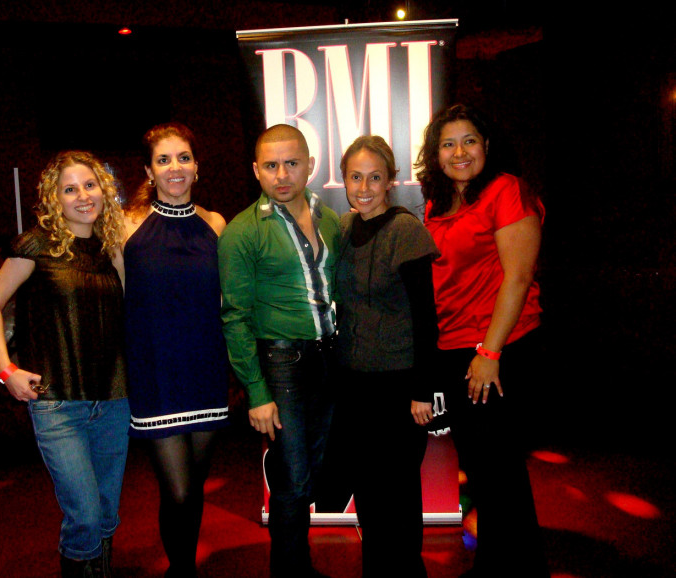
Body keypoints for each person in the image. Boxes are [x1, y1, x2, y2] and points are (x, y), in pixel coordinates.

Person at [0, 151, 130, 577]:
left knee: (106, 514)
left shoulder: (112, 248)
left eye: (90, 185)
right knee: (85, 515)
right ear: (54, 198)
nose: (82, 195)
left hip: (114, 399)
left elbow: (132, 310)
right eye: (69, 189)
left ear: (103, 190)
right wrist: (5, 369)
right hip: (58, 403)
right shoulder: (35, 245)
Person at [415, 104, 550, 577]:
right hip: (455, 348)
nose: (459, 152)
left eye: (469, 141)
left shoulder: (505, 190)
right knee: (482, 468)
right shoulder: (437, 203)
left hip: (497, 348)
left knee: (500, 469)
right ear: (435, 154)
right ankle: (500, 563)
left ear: (486, 146)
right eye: (448, 144)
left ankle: (514, 568)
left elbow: (518, 277)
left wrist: (489, 352)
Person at [218, 124, 340, 578]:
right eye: (271, 166)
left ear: (310, 165)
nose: (282, 174)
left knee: (315, 471)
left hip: (330, 358)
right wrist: (256, 391)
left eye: (291, 163)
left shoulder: (330, 219)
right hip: (282, 363)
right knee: (293, 478)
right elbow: (235, 316)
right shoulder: (242, 232)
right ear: (256, 170)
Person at [122, 122, 230, 578]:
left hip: (206, 369)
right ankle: (181, 570)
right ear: (149, 171)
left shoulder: (216, 224)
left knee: (195, 486)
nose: (175, 168)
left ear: (197, 166)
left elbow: (226, 301)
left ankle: (183, 567)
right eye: (163, 160)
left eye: (183, 157)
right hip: (155, 374)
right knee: (179, 491)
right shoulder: (126, 226)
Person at [334, 135, 438, 577]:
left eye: (374, 178)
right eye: (356, 177)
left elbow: (426, 317)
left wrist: (422, 391)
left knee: (398, 493)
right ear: (343, 180)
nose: (364, 188)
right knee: (368, 491)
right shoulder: (342, 228)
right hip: (354, 384)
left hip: (398, 386)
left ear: (391, 181)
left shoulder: (405, 231)